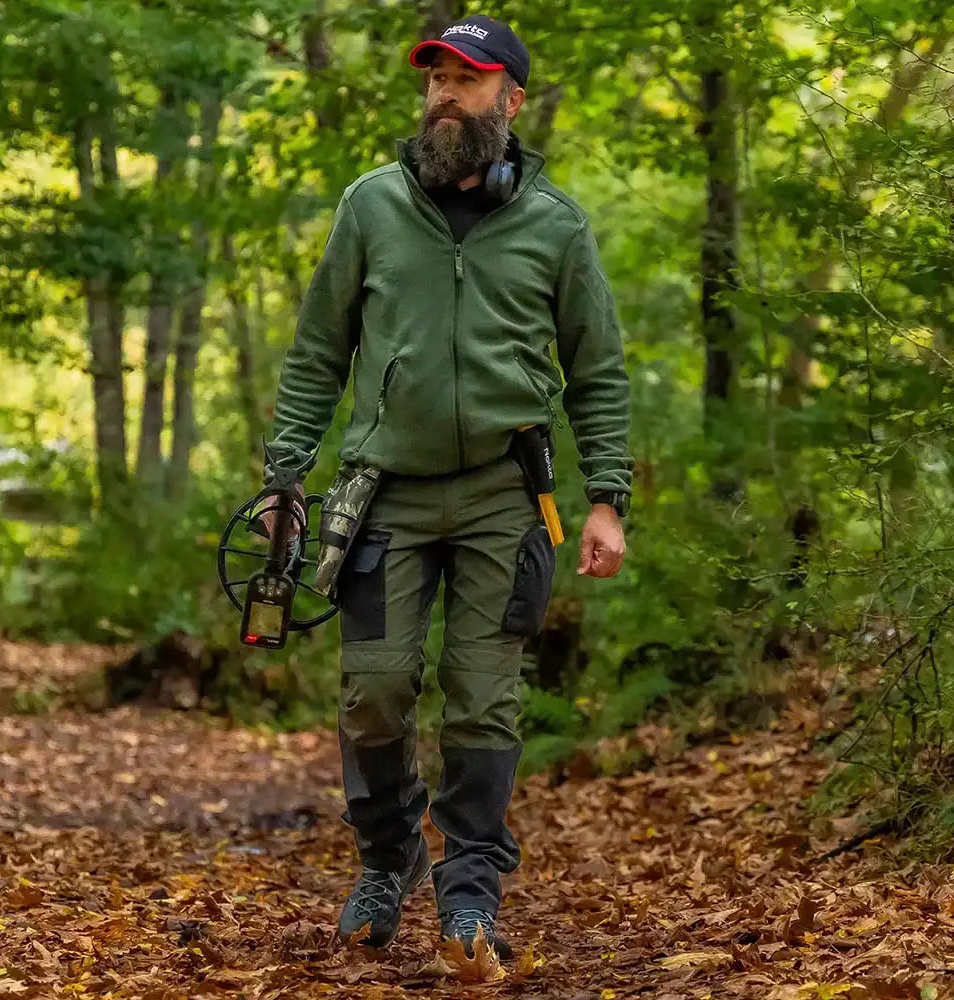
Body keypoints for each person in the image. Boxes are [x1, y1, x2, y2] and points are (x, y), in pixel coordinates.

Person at [264, 14, 632, 959]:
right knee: (375, 693)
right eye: (435, 80)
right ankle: (389, 857)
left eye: (465, 81)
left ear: (511, 100)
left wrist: (607, 497)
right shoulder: (371, 207)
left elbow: (597, 371)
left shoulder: (556, 226)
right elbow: (318, 353)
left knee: (482, 701)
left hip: (505, 496)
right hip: (384, 492)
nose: (444, 96)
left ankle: (470, 890)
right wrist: (285, 474)